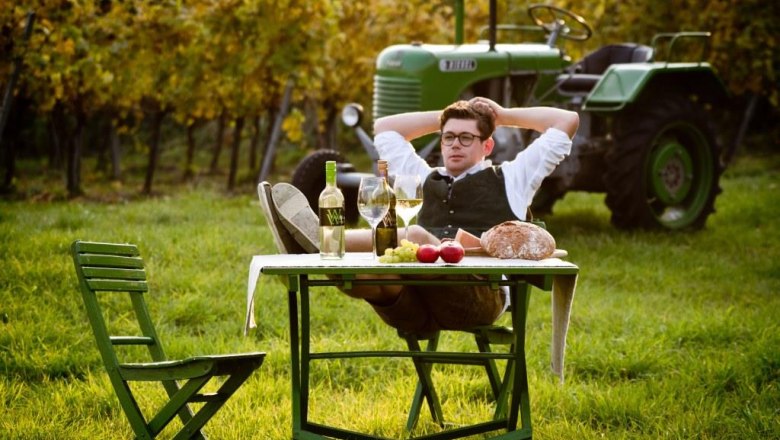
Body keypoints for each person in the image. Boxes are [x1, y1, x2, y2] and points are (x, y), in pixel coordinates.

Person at [333, 97, 579, 334]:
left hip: (480, 295)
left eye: (466, 137)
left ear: (487, 145)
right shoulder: (420, 176)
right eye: (448, 137)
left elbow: (566, 121)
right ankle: (317, 243)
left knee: (416, 236)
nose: (455, 144)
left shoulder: (514, 179)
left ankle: (322, 238)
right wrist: (447, 115)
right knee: (354, 275)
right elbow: (385, 128)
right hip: (414, 300)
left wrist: (501, 115)